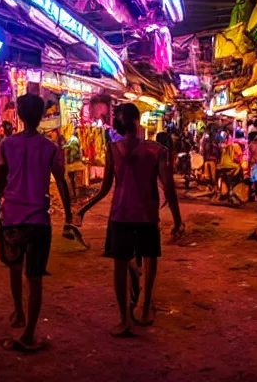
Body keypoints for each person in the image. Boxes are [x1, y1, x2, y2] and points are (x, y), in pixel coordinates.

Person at [76, 103, 184, 338]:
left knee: (120, 266)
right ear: (138, 120)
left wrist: (84, 208)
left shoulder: (113, 148)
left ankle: (125, 320)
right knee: (149, 260)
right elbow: (169, 187)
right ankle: (145, 310)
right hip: (146, 216)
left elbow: (104, 189)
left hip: (121, 215)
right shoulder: (157, 150)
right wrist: (177, 219)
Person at [0, 94, 74, 353]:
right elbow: (61, 182)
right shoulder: (50, 149)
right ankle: (28, 333)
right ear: (42, 116)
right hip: (39, 221)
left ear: (20, 116)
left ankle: (18, 313)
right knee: (34, 279)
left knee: (15, 270)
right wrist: (69, 217)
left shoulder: (7, 145)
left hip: (12, 219)